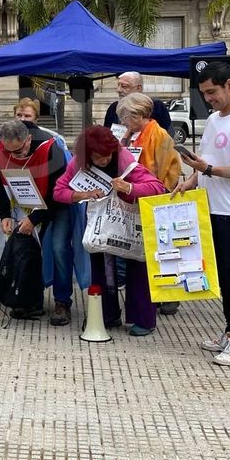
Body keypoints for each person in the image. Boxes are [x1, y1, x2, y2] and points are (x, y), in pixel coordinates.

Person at [172, 62, 230, 366]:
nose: (208, 98)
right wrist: (191, 180)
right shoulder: (213, 120)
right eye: (203, 93)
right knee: (224, 276)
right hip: (210, 208)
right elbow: (206, 162)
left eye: (212, 92)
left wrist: (209, 170)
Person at [56, 126, 167, 336]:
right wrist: (83, 194)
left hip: (131, 220)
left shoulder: (124, 159)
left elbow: (157, 187)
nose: (104, 160)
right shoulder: (78, 163)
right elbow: (59, 191)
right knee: (101, 267)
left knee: (138, 265)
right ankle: (106, 315)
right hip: (101, 224)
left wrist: (129, 188)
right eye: (98, 157)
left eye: (108, 155)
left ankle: (143, 319)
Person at [0, 119, 69, 321]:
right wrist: (4, 214)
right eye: (8, 151)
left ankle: (62, 302)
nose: (13, 156)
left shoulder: (51, 150)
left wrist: (35, 218)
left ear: (28, 139)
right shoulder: (2, 148)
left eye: (18, 151)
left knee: (59, 249)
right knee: (25, 250)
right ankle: (29, 301)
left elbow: (58, 193)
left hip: (56, 203)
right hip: (24, 202)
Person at [116, 92, 183, 316]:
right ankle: (152, 294)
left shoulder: (159, 134)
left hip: (155, 199)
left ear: (137, 115)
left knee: (163, 249)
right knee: (146, 252)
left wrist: (153, 192)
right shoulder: (133, 134)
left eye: (125, 117)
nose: (123, 122)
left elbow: (166, 171)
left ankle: (169, 295)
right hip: (136, 198)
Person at [103, 72, 172, 137]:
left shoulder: (156, 106)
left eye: (124, 86)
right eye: (118, 85)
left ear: (139, 88)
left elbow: (167, 134)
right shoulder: (113, 107)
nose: (119, 90)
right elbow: (106, 134)